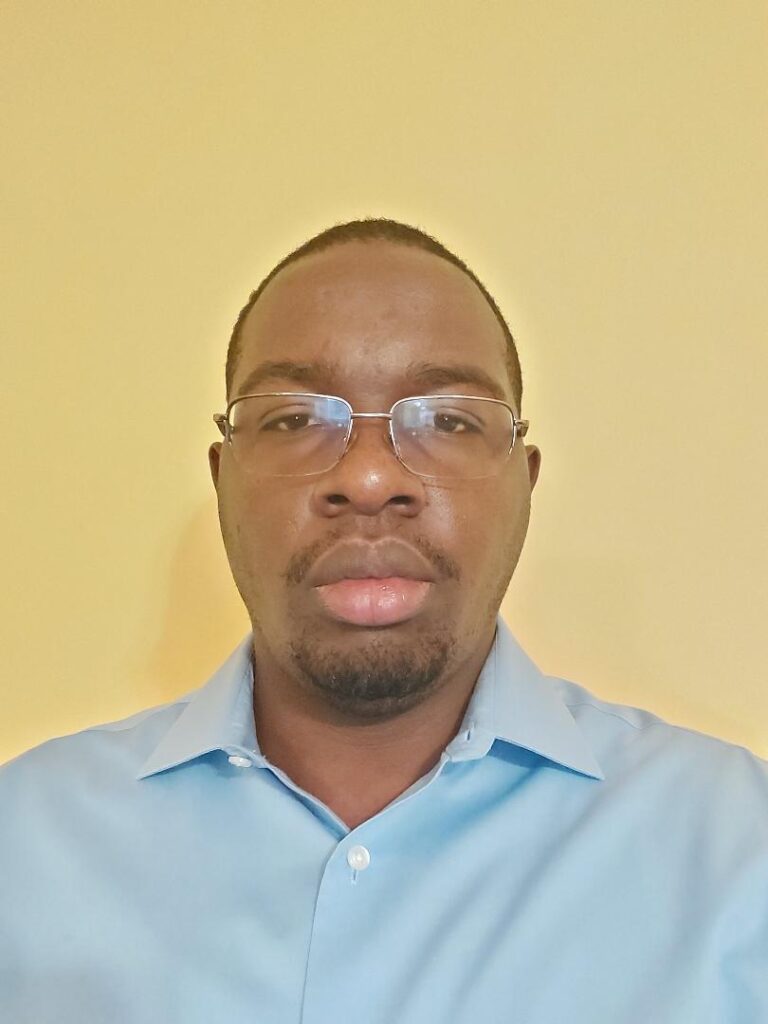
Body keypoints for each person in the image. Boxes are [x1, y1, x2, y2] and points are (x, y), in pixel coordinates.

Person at [1, 218, 766, 1023]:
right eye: (295, 418)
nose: (369, 479)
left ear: (525, 486)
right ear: (223, 482)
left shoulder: (737, 854)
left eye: (448, 419)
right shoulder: (25, 846)